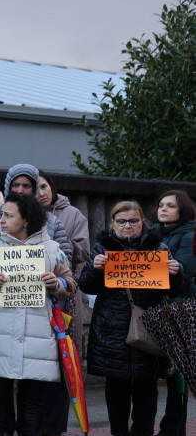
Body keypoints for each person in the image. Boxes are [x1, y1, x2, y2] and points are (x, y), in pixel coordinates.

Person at [0, 193, 77, 436]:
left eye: (8, 215)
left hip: (36, 338)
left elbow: (70, 284)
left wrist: (57, 284)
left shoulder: (52, 249)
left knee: (33, 402)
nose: (1, 219)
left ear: (26, 220)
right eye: (1, 214)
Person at [78, 200, 186, 436]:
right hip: (112, 331)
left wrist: (175, 274)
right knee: (116, 391)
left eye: (133, 221)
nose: (127, 226)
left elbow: (175, 290)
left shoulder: (159, 248)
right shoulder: (102, 248)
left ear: (142, 222)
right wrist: (94, 269)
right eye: (122, 221)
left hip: (149, 330)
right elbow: (86, 286)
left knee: (146, 392)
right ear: (112, 223)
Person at [36, 171, 90, 436]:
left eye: (44, 186)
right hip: (32, 297)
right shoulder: (19, 214)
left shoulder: (73, 215)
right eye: (34, 188)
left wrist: (54, 238)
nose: (41, 193)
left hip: (64, 296)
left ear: (52, 187)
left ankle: (56, 426)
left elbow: (84, 251)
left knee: (63, 358)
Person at [0, 164, 72, 270]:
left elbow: (65, 260)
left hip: (39, 287)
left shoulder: (52, 222)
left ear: (34, 189)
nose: (20, 190)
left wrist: (56, 283)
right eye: (15, 185)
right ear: (8, 187)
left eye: (26, 186)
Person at [150, 190, 196, 436]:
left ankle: (173, 428)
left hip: (179, 307)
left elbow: (187, 267)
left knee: (178, 372)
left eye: (170, 205)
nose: (163, 209)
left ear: (183, 210)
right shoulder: (152, 234)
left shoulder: (190, 234)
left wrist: (176, 266)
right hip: (156, 307)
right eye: (160, 204)